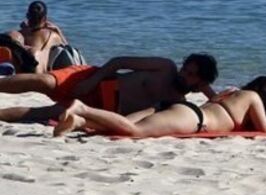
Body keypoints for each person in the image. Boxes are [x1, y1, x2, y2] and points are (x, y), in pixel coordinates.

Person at [0, 53, 218, 123]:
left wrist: (212, 94)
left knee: (44, 113)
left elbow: (216, 105)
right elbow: (118, 62)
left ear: (199, 83)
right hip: (97, 80)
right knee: (45, 82)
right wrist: (91, 81)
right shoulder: (165, 68)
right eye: (185, 69)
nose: (183, 74)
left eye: (190, 75)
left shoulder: (178, 104)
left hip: (103, 110)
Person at [53, 76, 266, 138]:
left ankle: (80, 122)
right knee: (135, 132)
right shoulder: (253, 97)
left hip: (184, 108)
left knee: (121, 125)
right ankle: (83, 109)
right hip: (193, 119)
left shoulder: (232, 93)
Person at [5, 1, 67, 74]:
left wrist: (25, 29)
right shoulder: (52, 36)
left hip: (16, 74)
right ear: (45, 18)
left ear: (27, 16)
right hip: (38, 75)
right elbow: (68, 51)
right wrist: (58, 31)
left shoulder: (18, 34)